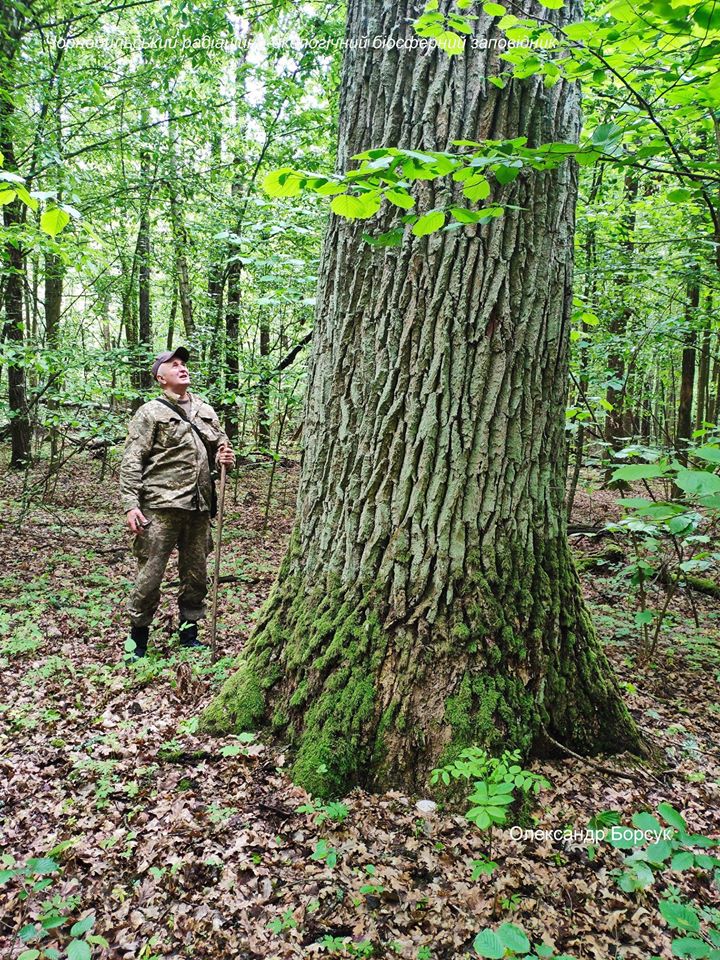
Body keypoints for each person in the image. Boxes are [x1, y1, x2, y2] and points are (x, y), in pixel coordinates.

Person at [120, 347, 235, 657]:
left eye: (183, 363)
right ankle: (135, 645)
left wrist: (226, 456)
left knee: (196, 576)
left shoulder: (205, 410)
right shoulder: (150, 412)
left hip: (199, 506)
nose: (182, 367)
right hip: (160, 506)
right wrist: (131, 504)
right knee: (150, 578)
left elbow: (222, 447)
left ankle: (188, 638)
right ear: (161, 377)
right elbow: (132, 459)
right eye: (174, 365)